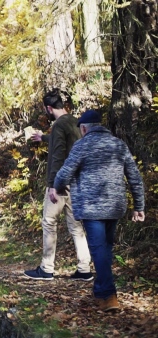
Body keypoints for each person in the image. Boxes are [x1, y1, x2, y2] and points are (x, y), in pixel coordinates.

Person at [54, 109, 145, 312]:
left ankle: (109, 295)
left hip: (91, 208)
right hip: (115, 207)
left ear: (84, 128)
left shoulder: (82, 145)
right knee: (105, 249)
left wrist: (58, 188)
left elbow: (63, 175)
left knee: (98, 250)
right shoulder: (118, 144)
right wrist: (139, 206)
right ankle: (99, 289)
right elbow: (135, 177)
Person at [24, 89, 92, 281]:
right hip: (76, 182)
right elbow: (67, 144)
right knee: (76, 226)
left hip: (61, 183)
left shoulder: (58, 126)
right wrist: (44, 138)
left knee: (48, 222)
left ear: (49, 108)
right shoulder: (74, 122)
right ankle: (84, 269)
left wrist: (54, 184)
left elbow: (57, 155)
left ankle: (46, 268)